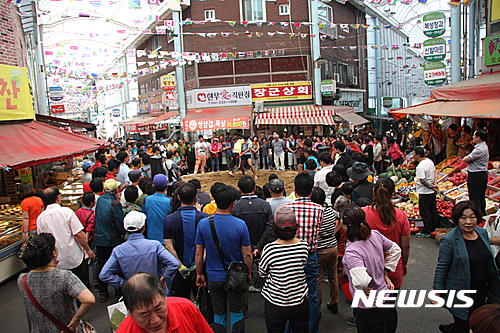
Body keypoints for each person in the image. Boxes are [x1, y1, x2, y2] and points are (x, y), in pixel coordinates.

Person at [433, 200, 500, 333]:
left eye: (472, 217)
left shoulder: (482, 233)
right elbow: (442, 267)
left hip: (483, 290)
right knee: (464, 324)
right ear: (457, 220)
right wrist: (437, 291)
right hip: (462, 291)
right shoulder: (450, 240)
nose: (468, 222)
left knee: (480, 323)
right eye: (463, 218)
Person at [195, 185, 253, 333]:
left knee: (218, 313)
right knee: (236, 312)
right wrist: (249, 272)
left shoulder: (203, 223)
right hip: (235, 276)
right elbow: (247, 254)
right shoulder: (240, 225)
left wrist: (199, 274)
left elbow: (199, 253)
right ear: (233, 203)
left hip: (213, 276)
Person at [18, 233, 96, 333]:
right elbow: (89, 299)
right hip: (65, 328)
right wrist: (76, 319)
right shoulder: (64, 277)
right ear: (53, 253)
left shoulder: (22, 279)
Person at [341, 204, 401, 333]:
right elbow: (395, 250)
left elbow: (361, 280)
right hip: (385, 298)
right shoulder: (375, 235)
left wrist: (362, 287)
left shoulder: (352, 250)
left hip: (369, 305)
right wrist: (385, 272)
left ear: (346, 226)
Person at [363, 177, 411, 333]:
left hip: (369, 272)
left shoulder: (364, 214)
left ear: (373, 191)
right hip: (393, 270)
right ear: (393, 194)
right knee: (389, 307)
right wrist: (403, 264)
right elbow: (406, 245)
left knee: (370, 310)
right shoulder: (401, 216)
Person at [258, 205, 309, 333]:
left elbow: (262, 272)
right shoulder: (303, 246)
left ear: (275, 227)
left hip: (275, 301)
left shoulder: (270, 249)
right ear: (295, 226)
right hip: (299, 299)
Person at [100, 211, 179, 292]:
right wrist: (163, 278)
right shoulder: (154, 245)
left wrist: (124, 283)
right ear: (143, 228)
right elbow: (174, 263)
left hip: (134, 293)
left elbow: (104, 275)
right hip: (155, 290)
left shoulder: (118, 250)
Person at [285, 173, 324, 333]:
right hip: (310, 256)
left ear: (294, 190)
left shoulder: (286, 209)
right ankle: (311, 329)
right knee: (312, 296)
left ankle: (290, 329)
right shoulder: (319, 210)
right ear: (311, 192)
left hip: (290, 255)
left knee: (289, 293)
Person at [37, 187, 95, 288]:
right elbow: (78, 234)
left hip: (56, 260)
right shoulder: (66, 212)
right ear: (57, 198)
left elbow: (42, 240)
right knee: (80, 286)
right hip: (73, 256)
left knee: (62, 288)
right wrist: (88, 249)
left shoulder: (41, 218)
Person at [116, 273, 213, 333]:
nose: (155, 320)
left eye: (158, 308)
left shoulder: (186, 308)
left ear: (165, 297)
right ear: (129, 312)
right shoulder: (125, 331)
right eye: (145, 314)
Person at [164, 183, 209, 299]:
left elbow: (168, 247)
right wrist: (198, 266)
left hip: (179, 270)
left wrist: (180, 266)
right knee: (202, 302)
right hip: (201, 268)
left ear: (179, 197)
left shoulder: (169, 220)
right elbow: (207, 246)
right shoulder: (205, 218)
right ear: (195, 199)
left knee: (181, 303)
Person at [94, 178, 126, 302]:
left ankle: (103, 291)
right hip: (112, 239)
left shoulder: (100, 200)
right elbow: (119, 222)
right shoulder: (115, 204)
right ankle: (118, 291)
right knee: (116, 266)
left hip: (99, 238)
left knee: (103, 265)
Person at [310, 187, 340, 315]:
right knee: (333, 276)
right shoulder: (331, 212)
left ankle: (318, 306)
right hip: (332, 247)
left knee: (318, 278)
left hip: (320, 248)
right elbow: (341, 218)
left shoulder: (314, 214)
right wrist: (333, 232)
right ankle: (334, 301)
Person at [414, 147, 439, 237]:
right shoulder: (429, 161)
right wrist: (435, 184)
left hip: (425, 192)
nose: (413, 156)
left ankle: (427, 230)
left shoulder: (420, 167)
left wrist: (432, 187)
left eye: (414, 154)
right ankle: (434, 227)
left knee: (425, 212)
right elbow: (435, 172)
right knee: (433, 210)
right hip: (431, 192)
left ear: (418, 155)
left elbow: (422, 181)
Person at [464, 129, 489, 215]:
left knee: (475, 197)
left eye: (474, 136)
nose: (472, 137)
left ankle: (477, 215)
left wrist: (468, 160)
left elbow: (466, 159)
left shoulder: (479, 149)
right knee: (480, 196)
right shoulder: (483, 146)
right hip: (481, 174)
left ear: (478, 138)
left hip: (476, 175)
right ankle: (481, 214)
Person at [143, 174, 172, 243]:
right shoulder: (170, 201)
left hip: (151, 238)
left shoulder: (146, 200)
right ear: (166, 186)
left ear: (153, 186)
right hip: (166, 239)